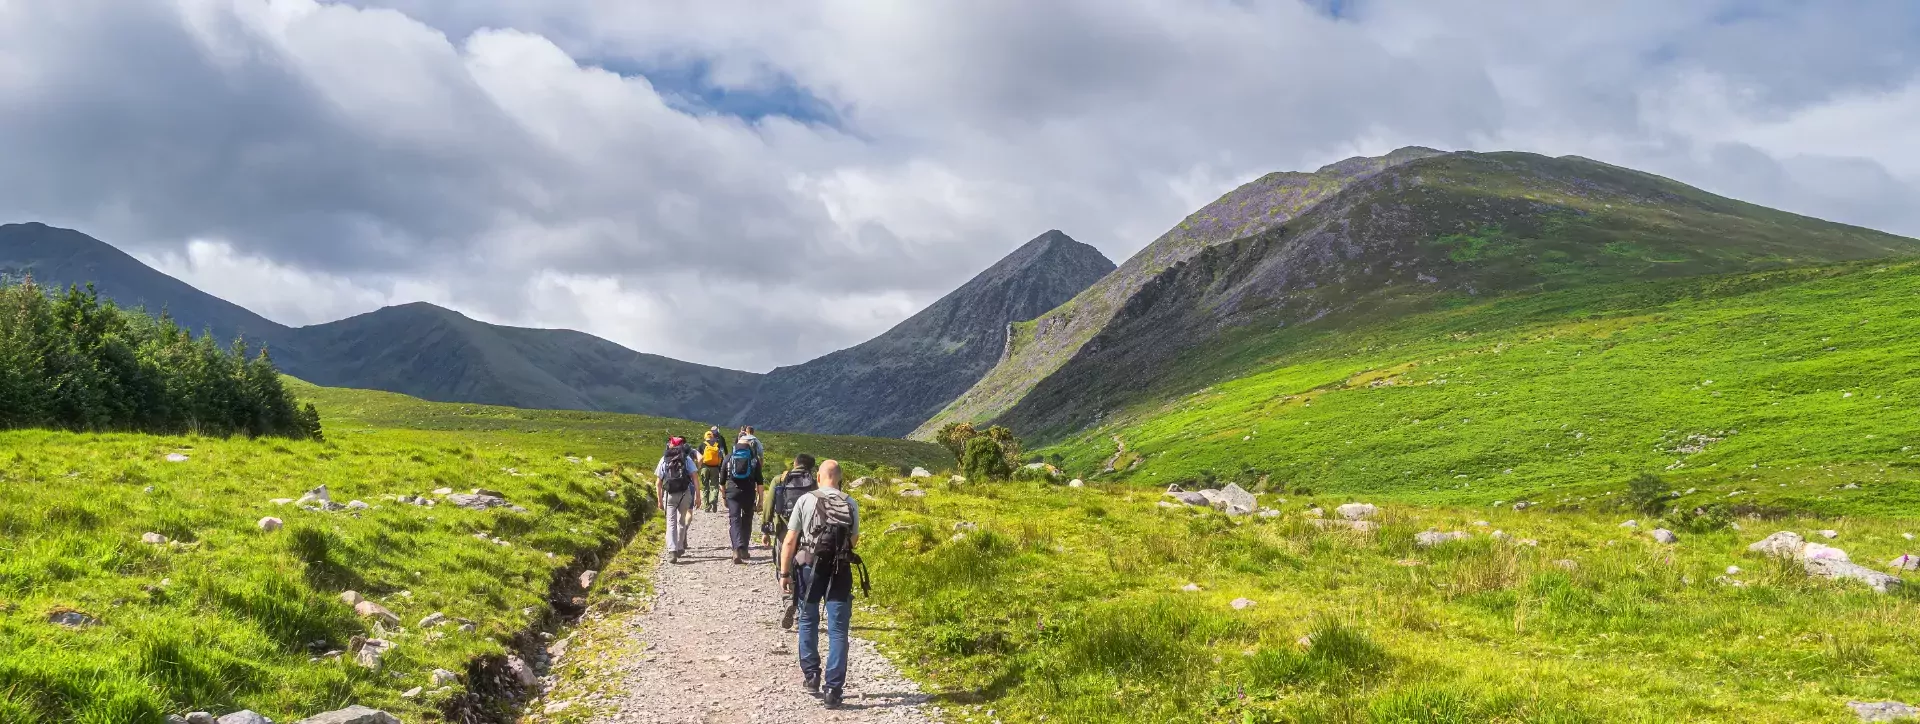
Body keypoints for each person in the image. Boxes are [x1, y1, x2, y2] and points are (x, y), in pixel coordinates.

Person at [780, 460, 864, 709]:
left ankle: (812, 675)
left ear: (818, 477)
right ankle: (833, 690)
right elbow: (854, 540)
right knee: (838, 629)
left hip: (809, 568)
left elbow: (790, 540)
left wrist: (784, 573)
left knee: (808, 619)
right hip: (840, 569)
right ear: (839, 478)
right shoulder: (850, 502)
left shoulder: (805, 500)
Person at [763, 454, 818, 560]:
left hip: (784, 526)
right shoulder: (814, 483)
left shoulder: (779, 480)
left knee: (783, 558)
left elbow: (769, 505)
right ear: (811, 467)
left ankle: (783, 574)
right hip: (807, 529)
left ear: (795, 463)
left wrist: (766, 531)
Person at [655, 436, 700, 562]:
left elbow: (658, 482)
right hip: (685, 494)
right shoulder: (686, 459)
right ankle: (680, 546)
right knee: (682, 520)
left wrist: (659, 499)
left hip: (669, 495)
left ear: (671, 445)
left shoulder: (664, 459)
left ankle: (672, 550)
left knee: (671, 522)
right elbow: (695, 478)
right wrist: (698, 496)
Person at [723, 433, 765, 564]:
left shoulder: (729, 457)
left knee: (734, 519)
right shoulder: (754, 459)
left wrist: (724, 496)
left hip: (732, 492)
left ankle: (736, 549)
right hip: (748, 493)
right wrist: (760, 500)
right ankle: (745, 549)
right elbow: (760, 482)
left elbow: (721, 480)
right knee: (747, 519)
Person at [699, 428, 727, 513]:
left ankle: (706, 506)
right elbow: (721, 456)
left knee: (705, 487)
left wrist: (699, 467)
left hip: (704, 467)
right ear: (712, 437)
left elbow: (699, 458)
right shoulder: (717, 445)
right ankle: (713, 500)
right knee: (714, 486)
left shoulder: (702, 445)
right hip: (715, 468)